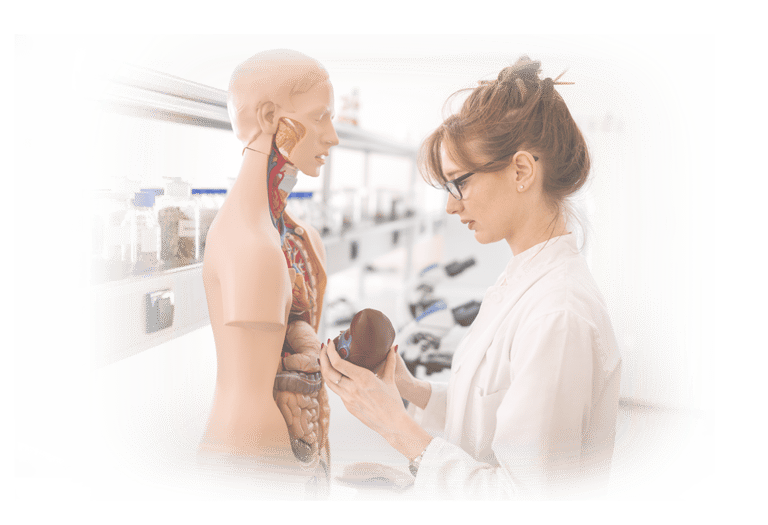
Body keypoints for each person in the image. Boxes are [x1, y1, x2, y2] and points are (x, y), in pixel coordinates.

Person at [319, 55, 622, 501]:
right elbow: (488, 417)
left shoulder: (559, 314)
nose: (451, 206)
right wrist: (410, 390)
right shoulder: (522, 280)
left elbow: (523, 499)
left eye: (460, 182)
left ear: (521, 171)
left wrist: (395, 426)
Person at [197, 49, 339, 501]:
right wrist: (290, 481)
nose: (332, 137)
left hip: (293, 449)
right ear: (269, 116)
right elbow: (253, 393)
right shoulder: (251, 244)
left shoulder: (296, 237)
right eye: (321, 117)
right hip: (253, 461)